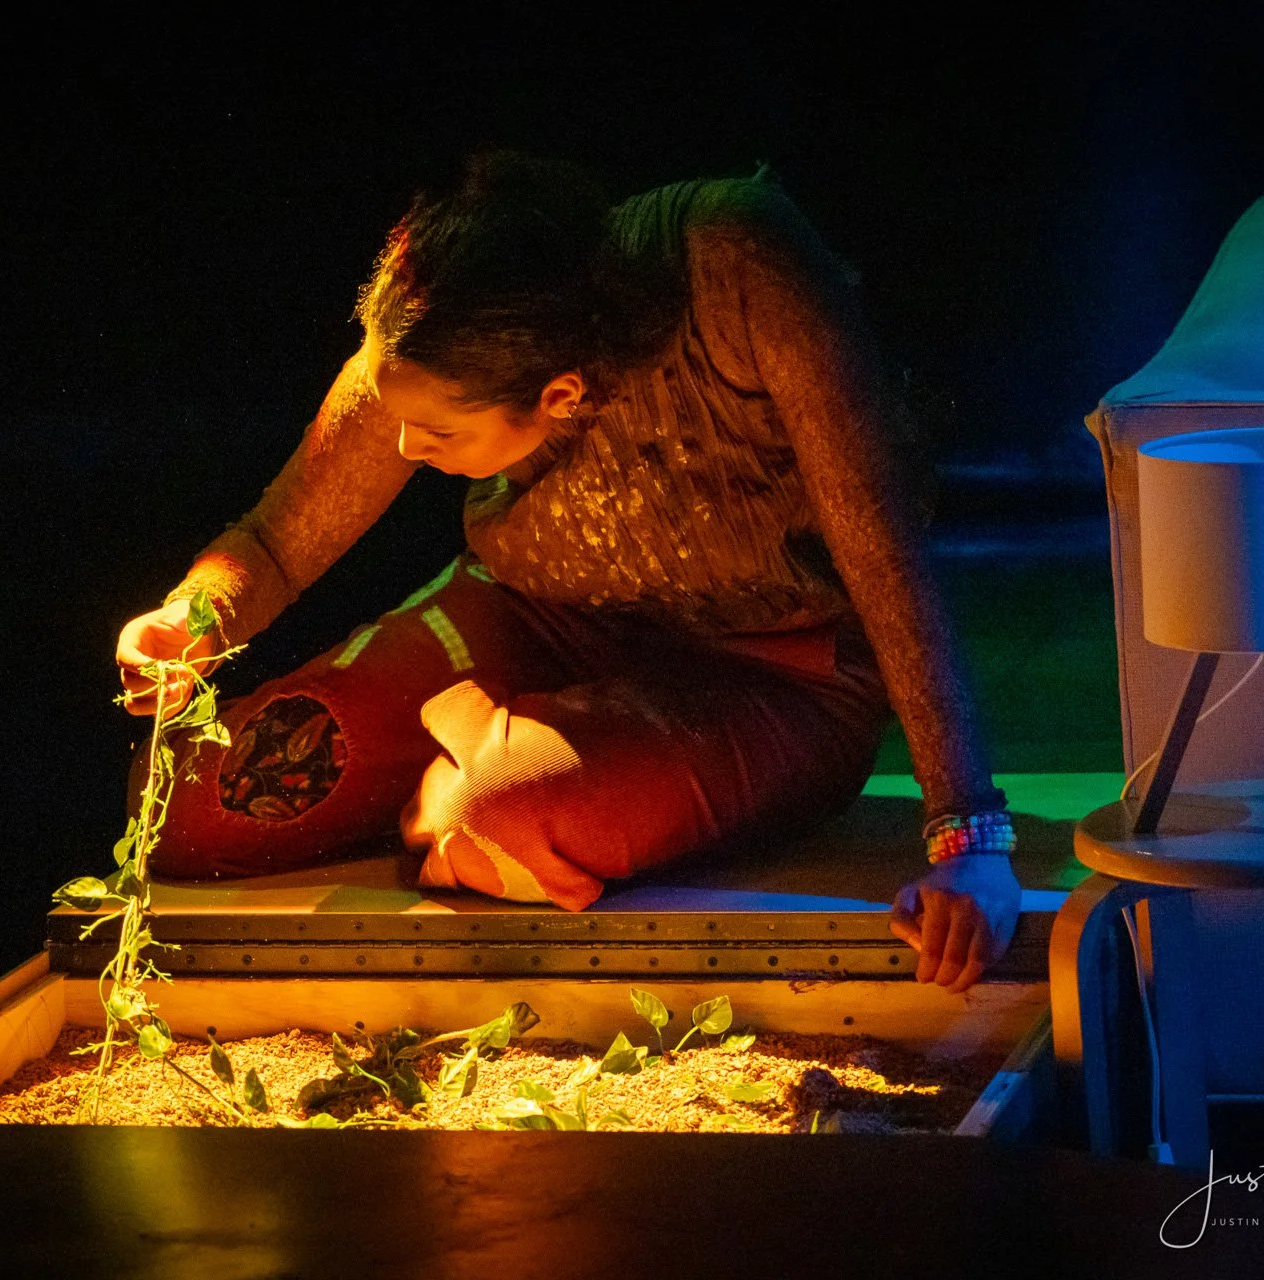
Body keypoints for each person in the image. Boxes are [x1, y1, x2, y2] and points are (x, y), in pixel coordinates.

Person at [115, 153, 1021, 992]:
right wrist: (192, 621)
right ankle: (496, 750)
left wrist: (967, 836)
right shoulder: (453, 309)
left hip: (776, 670)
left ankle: (501, 769)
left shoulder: (736, 271)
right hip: (539, 615)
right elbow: (279, 539)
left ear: (560, 398)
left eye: (438, 436)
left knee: (488, 815)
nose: (403, 449)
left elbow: (880, 541)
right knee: (192, 803)